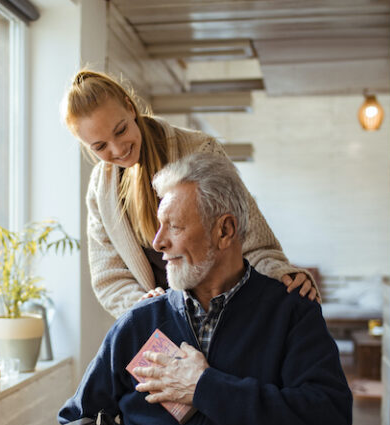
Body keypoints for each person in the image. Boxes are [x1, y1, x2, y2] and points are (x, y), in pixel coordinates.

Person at [9, 153, 352, 425]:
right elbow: (76, 419)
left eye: (174, 226)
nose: (158, 243)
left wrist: (204, 387)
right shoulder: (140, 321)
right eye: (158, 226)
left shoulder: (291, 314)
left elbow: (330, 421)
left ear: (225, 230)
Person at [62, 69, 320, 319]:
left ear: (130, 107)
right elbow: (109, 277)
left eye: (120, 130)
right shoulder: (100, 189)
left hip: (225, 311)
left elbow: (249, 235)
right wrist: (143, 307)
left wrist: (281, 273)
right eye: (100, 146)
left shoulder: (200, 149)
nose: (118, 149)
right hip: (159, 322)